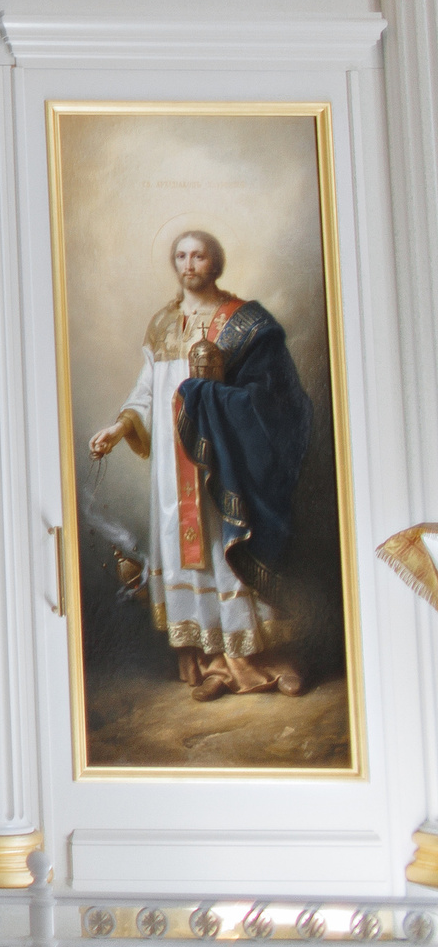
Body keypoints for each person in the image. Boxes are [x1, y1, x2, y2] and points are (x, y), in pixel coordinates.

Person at [90, 231, 314, 700]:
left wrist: (211, 399)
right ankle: (215, 664)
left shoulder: (245, 320)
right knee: (184, 554)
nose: (188, 263)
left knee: (225, 549)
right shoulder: (162, 323)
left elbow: (274, 396)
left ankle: (264, 662)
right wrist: (119, 428)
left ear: (215, 263)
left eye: (198, 255)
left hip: (221, 458)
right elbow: (147, 391)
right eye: (181, 255)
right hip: (171, 471)